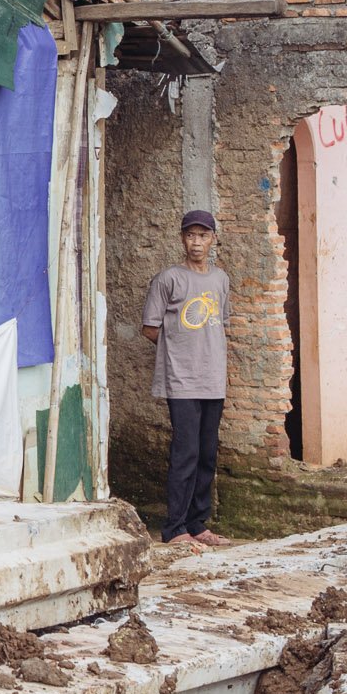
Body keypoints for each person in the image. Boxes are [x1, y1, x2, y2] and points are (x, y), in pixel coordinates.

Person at [142, 210, 232, 547]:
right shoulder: (168, 279)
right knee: (186, 452)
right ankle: (175, 528)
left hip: (213, 379)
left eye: (203, 236)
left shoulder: (221, 280)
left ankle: (198, 524)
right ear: (182, 238)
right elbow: (150, 328)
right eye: (191, 235)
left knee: (207, 453)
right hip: (181, 381)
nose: (196, 242)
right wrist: (179, 350)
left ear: (212, 239)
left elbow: (219, 323)